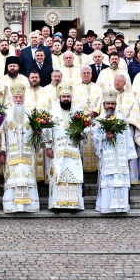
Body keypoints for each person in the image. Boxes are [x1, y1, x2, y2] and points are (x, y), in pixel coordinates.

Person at [92, 91, 139, 214]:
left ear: (116, 104)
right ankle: (106, 207)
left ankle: (121, 207)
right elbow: (94, 137)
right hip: (107, 154)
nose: (110, 106)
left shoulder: (121, 118)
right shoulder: (99, 120)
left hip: (121, 155)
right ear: (104, 105)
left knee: (120, 179)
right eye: (108, 103)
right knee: (108, 181)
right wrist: (104, 136)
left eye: (112, 103)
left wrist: (129, 154)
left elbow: (128, 136)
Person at [0, 83, 40, 213]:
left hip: (28, 153)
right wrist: (2, 151)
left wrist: (39, 133)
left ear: (24, 97)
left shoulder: (31, 114)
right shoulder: (6, 114)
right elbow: (2, 134)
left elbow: (36, 135)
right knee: (13, 180)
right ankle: (12, 206)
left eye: (20, 97)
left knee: (27, 178)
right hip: (12, 153)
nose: (18, 100)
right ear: (12, 98)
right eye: (16, 97)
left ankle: (29, 206)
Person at [46, 84, 86, 212]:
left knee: (73, 176)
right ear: (59, 98)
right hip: (57, 149)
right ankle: (57, 204)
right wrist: (48, 147)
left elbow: (84, 132)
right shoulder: (52, 113)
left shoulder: (77, 113)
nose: (66, 99)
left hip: (73, 150)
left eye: (68, 96)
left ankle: (73, 205)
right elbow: (47, 131)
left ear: (71, 97)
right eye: (63, 96)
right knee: (58, 177)